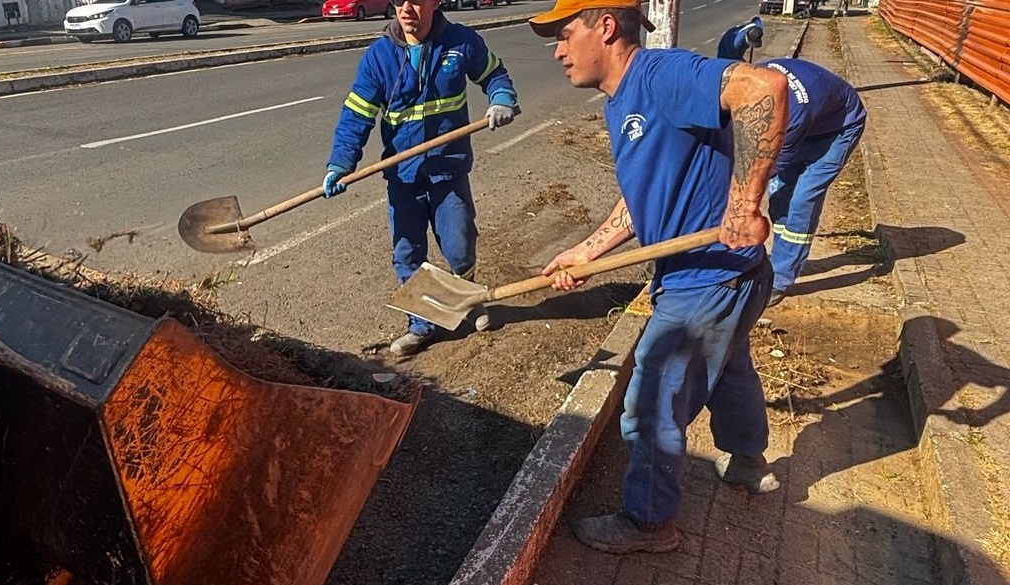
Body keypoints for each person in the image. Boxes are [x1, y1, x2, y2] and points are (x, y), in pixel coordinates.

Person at [529, 0, 789, 553]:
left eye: (563, 34)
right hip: (731, 278)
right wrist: (588, 251)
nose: (556, 50)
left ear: (604, 27)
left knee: (651, 403)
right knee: (731, 366)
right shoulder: (621, 98)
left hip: (706, 281)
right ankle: (747, 461)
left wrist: (745, 203)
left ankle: (649, 523)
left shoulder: (660, 74)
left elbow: (764, 89)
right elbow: (645, 191)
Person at [323, 0, 519, 357]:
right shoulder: (380, 57)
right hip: (403, 175)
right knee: (408, 253)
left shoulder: (461, 43)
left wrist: (501, 97)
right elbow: (356, 115)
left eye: (416, 0)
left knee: (459, 243)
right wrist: (340, 163)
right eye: (399, 0)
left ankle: (469, 300)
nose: (406, 8)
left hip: (449, 168)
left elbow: (494, 74)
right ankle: (421, 325)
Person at [718, 33, 868, 305]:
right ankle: (776, 258)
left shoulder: (789, 119)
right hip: (814, 114)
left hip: (839, 128)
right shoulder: (748, 84)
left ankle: (781, 279)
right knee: (779, 201)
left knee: (800, 199)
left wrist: (741, 204)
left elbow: (767, 169)